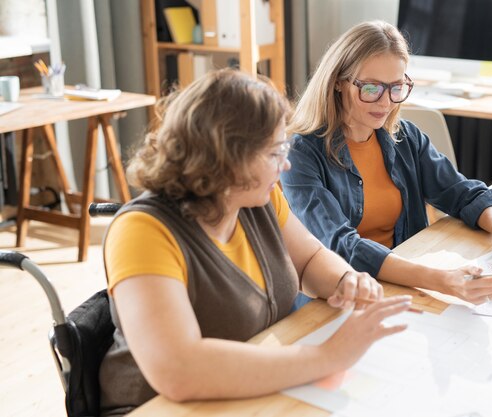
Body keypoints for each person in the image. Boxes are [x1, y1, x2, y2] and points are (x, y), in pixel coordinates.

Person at [98, 69, 412, 416]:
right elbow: (178, 371)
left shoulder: (256, 199)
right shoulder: (142, 230)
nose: (286, 163)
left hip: (245, 392)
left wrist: (344, 279)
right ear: (229, 156)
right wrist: (326, 357)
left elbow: (308, 260)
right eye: (275, 152)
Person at [280, 21, 492, 306]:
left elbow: (463, 193)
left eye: (396, 87)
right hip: (341, 298)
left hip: (407, 284)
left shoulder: (405, 138)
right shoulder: (300, 154)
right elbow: (340, 246)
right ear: (339, 81)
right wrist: (441, 279)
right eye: (371, 88)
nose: (386, 102)